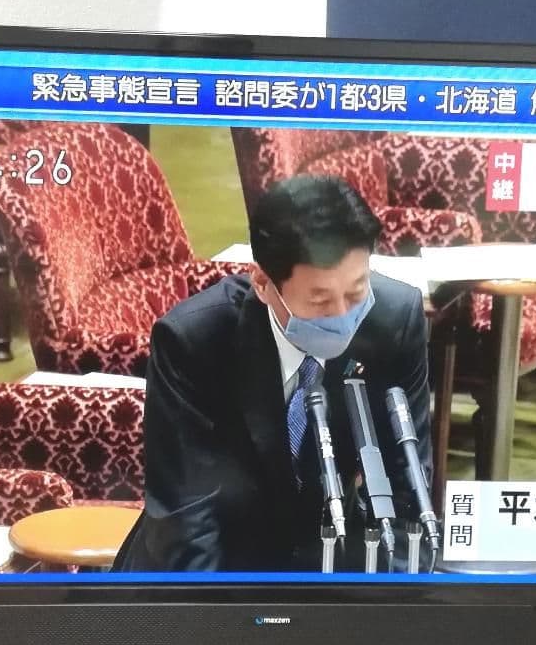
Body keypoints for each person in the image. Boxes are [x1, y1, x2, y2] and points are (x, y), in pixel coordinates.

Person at [112, 175, 433, 573]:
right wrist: (217, 610)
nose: (343, 316)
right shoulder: (194, 340)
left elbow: (408, 482)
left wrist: (397, 596)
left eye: (356, 292)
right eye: (319, 300)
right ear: (263, 283)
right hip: (216, 559)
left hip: (331, 553)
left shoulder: (395, 319)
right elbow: (188, 517)